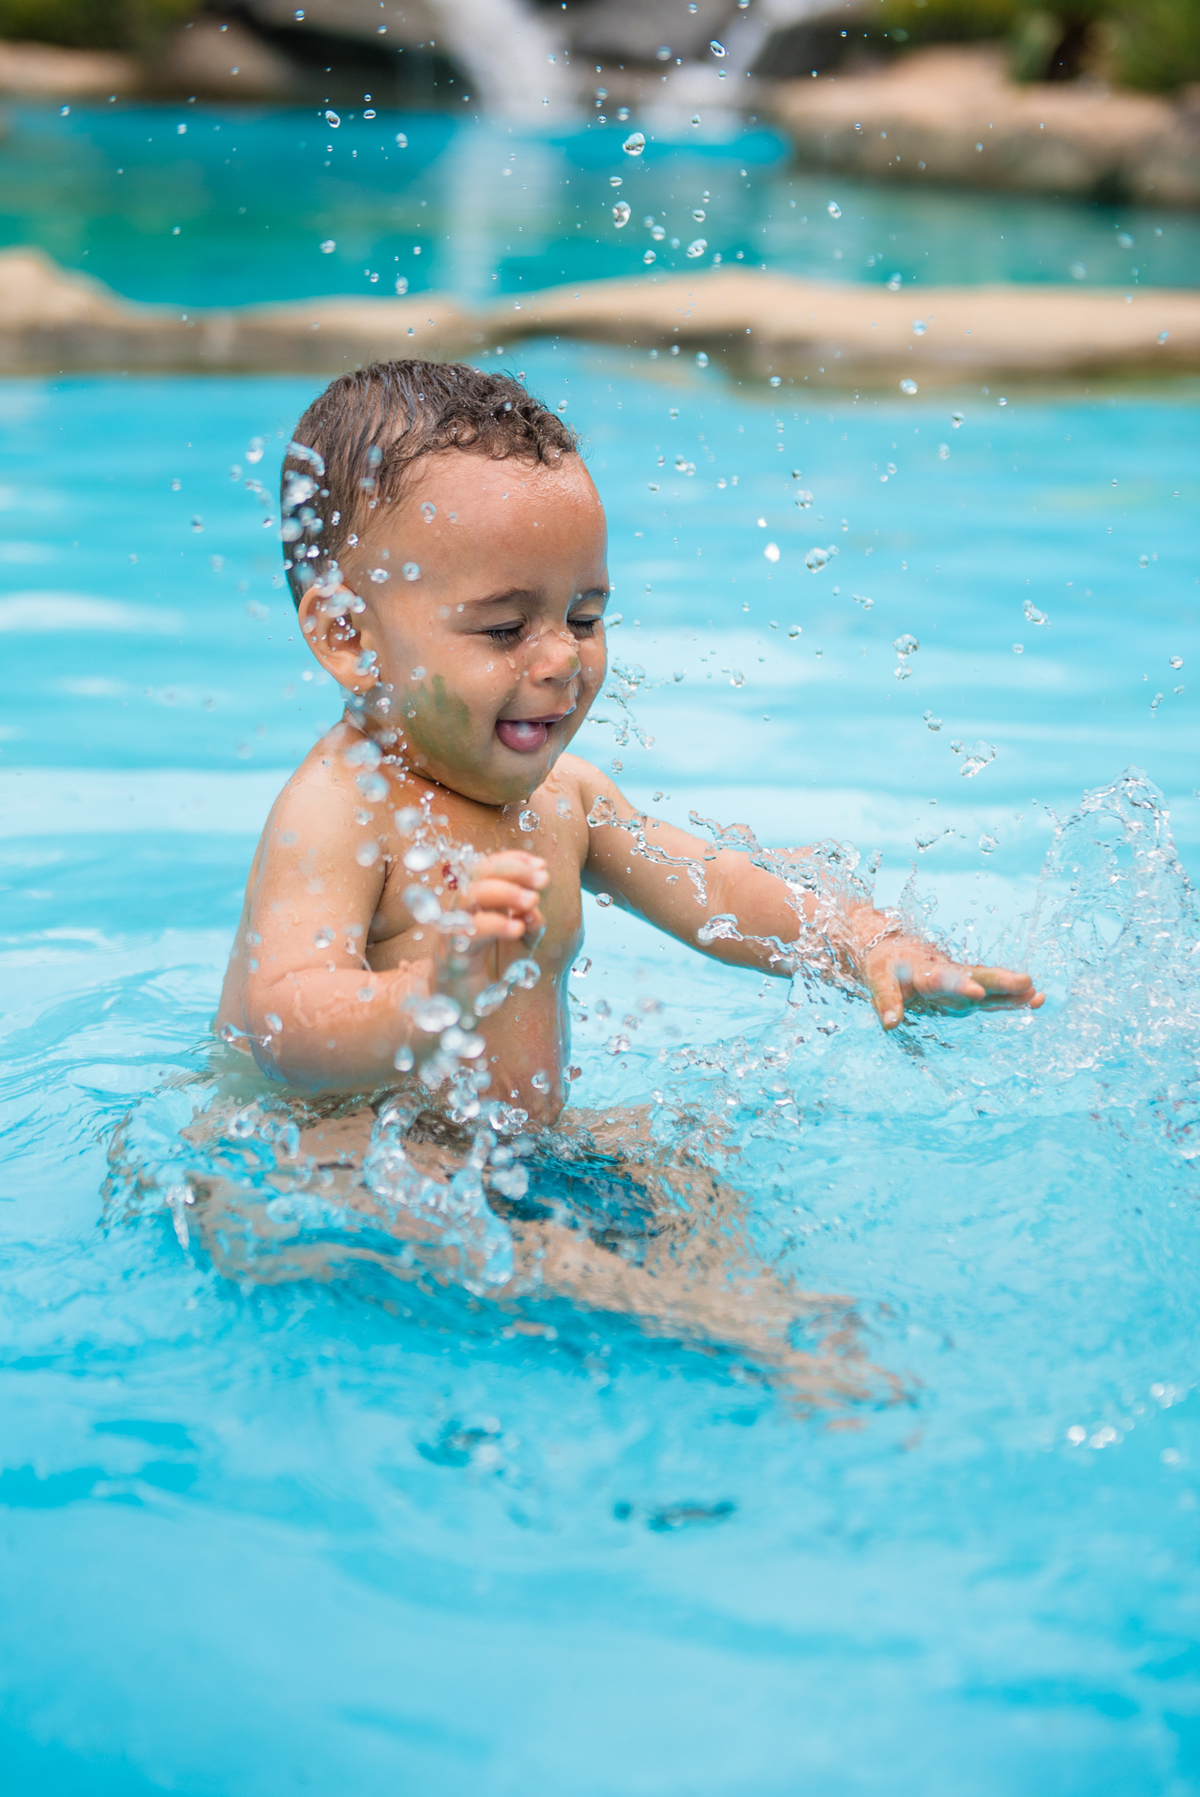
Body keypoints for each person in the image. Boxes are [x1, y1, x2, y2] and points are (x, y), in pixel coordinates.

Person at [205, 359, 1042, 1393]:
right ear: (347, 635)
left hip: (507, 1150)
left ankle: (757, 1307)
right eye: (506, 627)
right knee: (544, 1256)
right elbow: (286, 1024)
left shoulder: (564, 803)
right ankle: (753, 1343)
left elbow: (718, 893)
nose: (561, 660)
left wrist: (864, 941)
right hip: (319, 1166)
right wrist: (428, 1000)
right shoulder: (342, 813)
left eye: (587, 616)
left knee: (676, 1180)